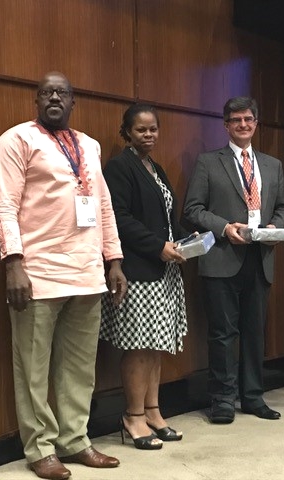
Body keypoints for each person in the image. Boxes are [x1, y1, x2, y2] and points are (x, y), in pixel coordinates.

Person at [0, 71, 127, 480]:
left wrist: (114, 259)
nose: (54, 97)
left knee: (79, 366)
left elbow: (102, 204)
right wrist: (13, 262)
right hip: (38, 274)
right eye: (46, 92)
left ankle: (74, 440)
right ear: (36, 100)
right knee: (32, 368)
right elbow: (4, 205)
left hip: (87, 272)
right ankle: (40, 447)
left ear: (73, 102)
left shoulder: (89, 145)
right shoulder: (15, 141)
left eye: (62, 92)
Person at [183, 96, 284, 424]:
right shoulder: (208, 162)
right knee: (222, 334)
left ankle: (254, 397)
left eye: (248, 119)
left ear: (256, 123)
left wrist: (274, 226)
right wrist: (225, 227)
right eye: (236, 120)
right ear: (226, 125)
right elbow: (192, 210)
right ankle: (223, 400)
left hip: (260, 258)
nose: (243, 125)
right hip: (221, 258)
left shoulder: (272, 165)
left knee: (255, 333)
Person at [100, 104, 190, 450]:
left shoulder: (154, 167)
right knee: (139, 347)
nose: (148, 135)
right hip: (137, 271)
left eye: (153, 129)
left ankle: (152, 411)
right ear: (126, 133)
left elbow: (168, 218)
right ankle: (132, 417)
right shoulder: (120, 167)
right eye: (141, 130)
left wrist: (189, 240)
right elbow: (119, 218)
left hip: (163, 271)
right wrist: (158, 247)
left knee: (156, 345)